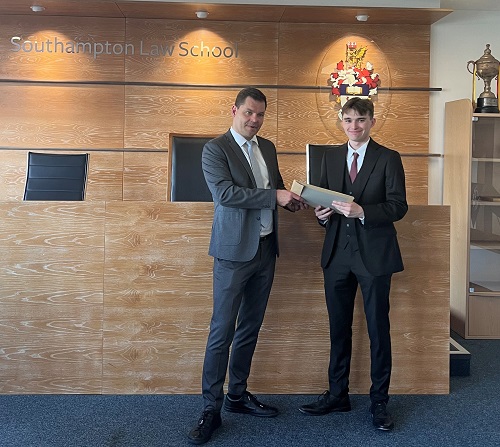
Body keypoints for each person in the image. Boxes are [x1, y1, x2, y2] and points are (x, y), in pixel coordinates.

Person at [188, 87, 306, 445]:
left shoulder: (266, 147)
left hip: (266, 249)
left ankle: (236, 396)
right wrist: (274, 196)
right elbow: (225, 194)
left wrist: (291, 200)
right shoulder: (215, 149)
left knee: (250, 327)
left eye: (260, 114)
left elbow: (275, 187)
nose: (254, 120)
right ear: (234, 110)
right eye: (248, 113)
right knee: (222, 330)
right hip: (233, 253)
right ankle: (211, 408)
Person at [299, 97, 408, 431]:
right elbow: (323, 205)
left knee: (378, 329)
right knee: (338, 328)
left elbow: (398, 206)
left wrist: (363, 212)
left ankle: (379, 402)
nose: (354, 126)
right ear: (341, 122)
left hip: (374, 256)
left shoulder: (388, 158)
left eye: (360, 120)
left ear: (372, 121)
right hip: (337, 254)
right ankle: (338, 394)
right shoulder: (329, 157)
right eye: (348, 120)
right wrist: (321, 216)